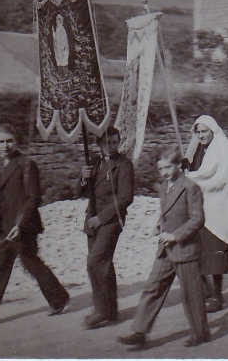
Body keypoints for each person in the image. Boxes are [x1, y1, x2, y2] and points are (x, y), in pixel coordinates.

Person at [0, 124, 69, 329]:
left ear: (16, 141)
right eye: (2, 141)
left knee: (31, 263)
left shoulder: (26, 164)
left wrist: (20, 225)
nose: (6, 145)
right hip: (2, 228)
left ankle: (58, 299)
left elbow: (33, 198)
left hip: (21, 228)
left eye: (10, 141)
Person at [118, 149, 209, 349]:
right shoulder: (165, 187)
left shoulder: (191, 187)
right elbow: (167, 212)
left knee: (191, 294)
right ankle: (139, 332)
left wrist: (175, 235)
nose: (164, 172)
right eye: (160, 168)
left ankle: (200, 333)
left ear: (179, 165)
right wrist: (159, 225)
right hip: (166, 247)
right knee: (152, 287)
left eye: (168, 167)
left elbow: (197, 219)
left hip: (185, 247)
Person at [184, 115, 228, 313]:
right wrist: (188, 167)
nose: (201, 135)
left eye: (204, 131)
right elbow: (200, 170)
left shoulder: (221, 147)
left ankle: (217, 296)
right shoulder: (200, 149)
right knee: (199, 251)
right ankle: (206, 289)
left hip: (219, 208)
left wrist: (191, 177)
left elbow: (217, 177)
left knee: (215, 253)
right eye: (197, 132)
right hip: (203, 207)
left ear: (213, 130)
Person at [80, 126, 135, 330]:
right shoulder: (94, 162)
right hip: (92, 219)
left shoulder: (124, 165)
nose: (111, 147)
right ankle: (110, 311)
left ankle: (101, 310)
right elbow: (84, 192)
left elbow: (125, 198)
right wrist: (84, 178)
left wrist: (101, 219)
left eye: (115, 142)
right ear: (99, 144)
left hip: (111, 221)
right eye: (107, 143)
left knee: (95, 261)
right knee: (104, 264)